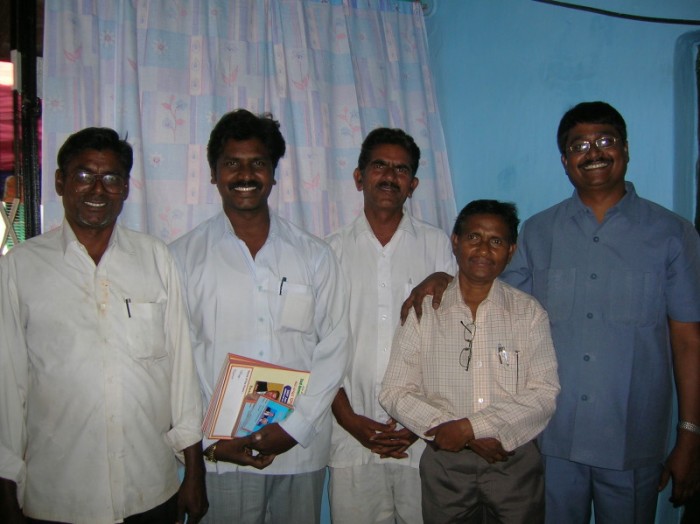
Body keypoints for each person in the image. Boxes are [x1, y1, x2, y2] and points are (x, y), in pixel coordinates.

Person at [402, 102, 700, 524]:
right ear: (565, 160)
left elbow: (688, 340)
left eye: (605, 140)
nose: (593, 152)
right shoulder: (538, 232)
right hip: (552, 439)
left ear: (626, 148)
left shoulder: (672, 233)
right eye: (579, 145)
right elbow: (491, 298)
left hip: (633, 439)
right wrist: (443, 278)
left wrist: (690, 435)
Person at [0, 127, 207, 523]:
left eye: (111, 177)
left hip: (150, 488)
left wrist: (195, 472)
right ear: (59, 182)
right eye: (83, 175)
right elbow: (8, 387)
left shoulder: (156, 259)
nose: (98, 188)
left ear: (125, 188)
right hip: (59, 497)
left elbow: (181, 372)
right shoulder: (20, 268)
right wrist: (6, 490)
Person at [169, 109, 350, 524]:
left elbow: (336, 346)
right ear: (214, 173)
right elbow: (177, 362)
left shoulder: (315, 255)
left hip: (299, 449)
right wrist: (208, 443)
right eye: (232, 163)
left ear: (273, 173)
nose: (245, 174)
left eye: (258, 163)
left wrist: (294, 427)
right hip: (223, 451)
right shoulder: (182, 258)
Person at [380, 199, 560, 524]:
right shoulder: (424, 311)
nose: (483, 249)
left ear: (511, 251)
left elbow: (544, 394)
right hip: (446, 463)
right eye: (474, 237)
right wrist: (457, 432)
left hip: (513, 461)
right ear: (455, 241)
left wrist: (469, 428)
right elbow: (394, 391)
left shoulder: (529, 313)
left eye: (496, 241)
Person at [325, 127, 456, 524]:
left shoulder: (438, 247)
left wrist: (422, 421)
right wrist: (348, 420)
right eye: (379, 165)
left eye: (401, 169)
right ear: (359, 177)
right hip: (350, 436)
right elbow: (316, 347)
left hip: (423, 438)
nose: (389, 176)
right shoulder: (328, 251)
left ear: (413, 184)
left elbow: (454, 342)